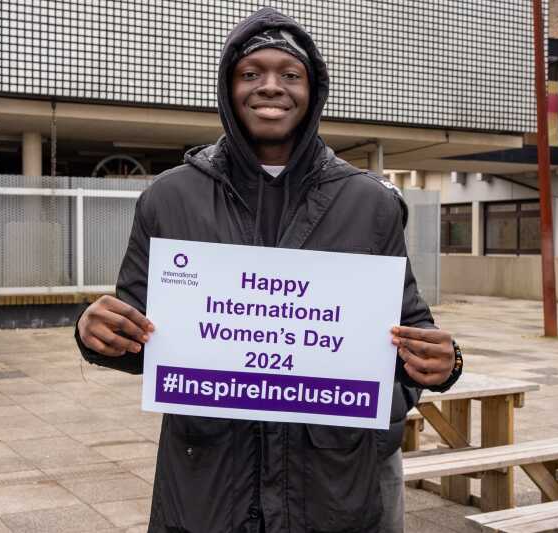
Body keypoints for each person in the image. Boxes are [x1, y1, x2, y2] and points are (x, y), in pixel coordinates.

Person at [76, 8, 462, 532]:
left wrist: (442, 363)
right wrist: (95, 334)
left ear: (313, 89)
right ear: (228, 87)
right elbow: (143, 341)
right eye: (250, 73)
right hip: (209, 487)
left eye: (290, 74)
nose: (270, 86)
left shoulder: (370, 203)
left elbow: (409, 332)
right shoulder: (168, 198)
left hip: (332, 489)